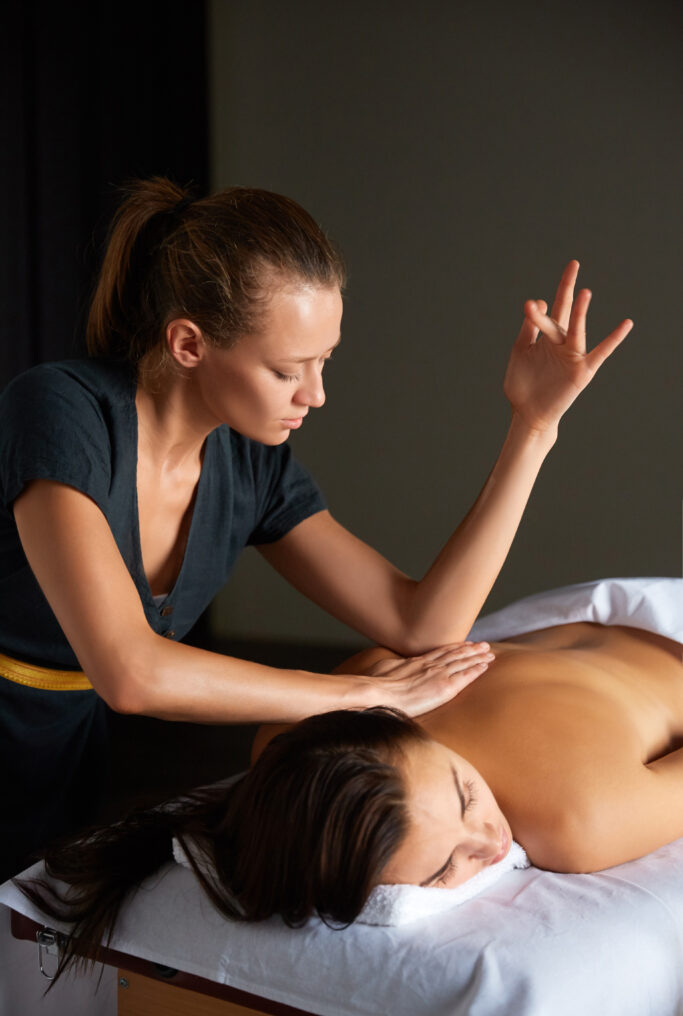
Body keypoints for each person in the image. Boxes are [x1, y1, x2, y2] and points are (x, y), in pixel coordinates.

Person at [0, 175, 632, 878]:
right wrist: (364, 695)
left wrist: (532, 426)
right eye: (285, 370)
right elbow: (131, 672)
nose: (316, 394)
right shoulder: (61, 413)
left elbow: (419, 624)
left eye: (323, 361)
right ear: (187, 343)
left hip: (65, 746)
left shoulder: (249, 465)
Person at [16, 600, 683, 986]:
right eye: (444, 870)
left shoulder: (581, 816)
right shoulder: (288, 740)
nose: (490, 840)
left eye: (464, 794)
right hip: (590, 651)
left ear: (394, 720)